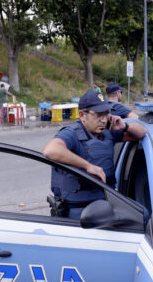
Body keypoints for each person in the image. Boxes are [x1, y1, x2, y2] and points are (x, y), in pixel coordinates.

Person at [42, 90, 147, 219]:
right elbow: (50, 150)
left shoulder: (108, 134)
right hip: (76, 213)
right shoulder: (72, 134)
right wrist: (87, 166)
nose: (103, 120)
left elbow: (142, 132)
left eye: (106, 114)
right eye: (98, 115)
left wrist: (124, 125)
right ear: (82, 115)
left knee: (143, 216)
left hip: (104, 206)